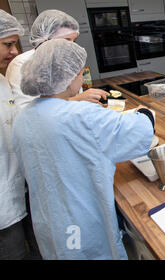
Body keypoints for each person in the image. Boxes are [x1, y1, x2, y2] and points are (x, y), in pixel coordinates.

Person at [12, 39, 155, 259]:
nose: (82, 77)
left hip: (49, 222)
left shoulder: (24, 118)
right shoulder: (79, 115)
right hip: (81, 225)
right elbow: (139, 133)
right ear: (69, 78)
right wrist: (144, 112)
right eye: (80, 72)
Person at [6, 9, 109, 109]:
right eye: (66, 40)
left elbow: (76, 93)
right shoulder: (22, 63)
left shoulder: (66, 60)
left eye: (74, 40)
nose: (72, 46)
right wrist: (77, 100)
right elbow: (25, 109)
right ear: (45, 40)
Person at [0, 9, 40, 260]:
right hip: (2, 201)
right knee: (13, 253)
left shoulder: (3, 82)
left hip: (21, 185)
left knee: (38, 249)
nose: (14, 51)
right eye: (8, 44)